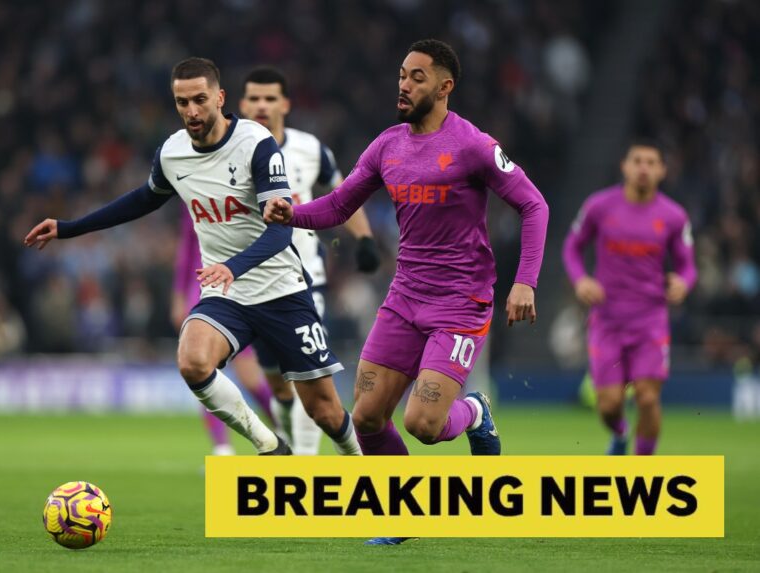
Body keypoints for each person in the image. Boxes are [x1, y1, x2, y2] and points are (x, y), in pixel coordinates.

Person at [264, 39, 548, 544]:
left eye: (417, 76)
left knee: (422, 422)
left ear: (445, 87)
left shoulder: (475, 145)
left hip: (460, 302)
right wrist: (294, 213)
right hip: (403, 297)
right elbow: (337, 206)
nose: (404, 83)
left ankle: (476, 412)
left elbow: (534, 206)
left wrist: (524, 280)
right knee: (368, 416)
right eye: (401, 74)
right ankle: (402, 518)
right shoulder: (386, 145)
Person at [25, 57, 361, 457]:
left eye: (200, 100)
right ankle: (269, 445)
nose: (192, 111)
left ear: (220, 98)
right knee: (193, 361)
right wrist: (68, 228)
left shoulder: (256, 144)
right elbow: (141, 200)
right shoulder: (172, 153)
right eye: (182, 103)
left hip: (282, 291)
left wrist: (231, 267)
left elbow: (280, 230)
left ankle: (361, 463)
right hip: (228, 296)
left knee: (323, 410)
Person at [236, 66, 380, 454]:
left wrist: (364, 237)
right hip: (251, 285)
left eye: (270, 98)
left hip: (303, 279)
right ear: (242, 104)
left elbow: (343, 196)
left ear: (285, 103)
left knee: (307, 379)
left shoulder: (311, 149)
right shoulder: (229, 152)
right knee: (280, 387)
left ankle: (303, 465)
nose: (262, 105)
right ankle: (293, 449)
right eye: (255, 98)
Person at [562, 139, 696, 456]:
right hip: (607, 319)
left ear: (662, 170)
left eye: (651, 162)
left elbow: (687, 265)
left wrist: (683, 283)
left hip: (650, 319)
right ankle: (620, 433)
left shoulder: (674, 216)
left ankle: (640, 472)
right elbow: (572, 247)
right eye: (637, 161)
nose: (643, 168)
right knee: (609, 405)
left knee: (648, 398)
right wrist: (580, 280)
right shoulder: (599, 206)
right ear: (624, 166)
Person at [170, 204, 276, 456]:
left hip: (238, 290)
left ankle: (281, 431)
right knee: (201, 371)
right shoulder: (193, 190)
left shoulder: (247, 185)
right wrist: (179, 294)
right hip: (202, 290)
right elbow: (187, 245)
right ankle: (222, 448)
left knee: (250, 378)